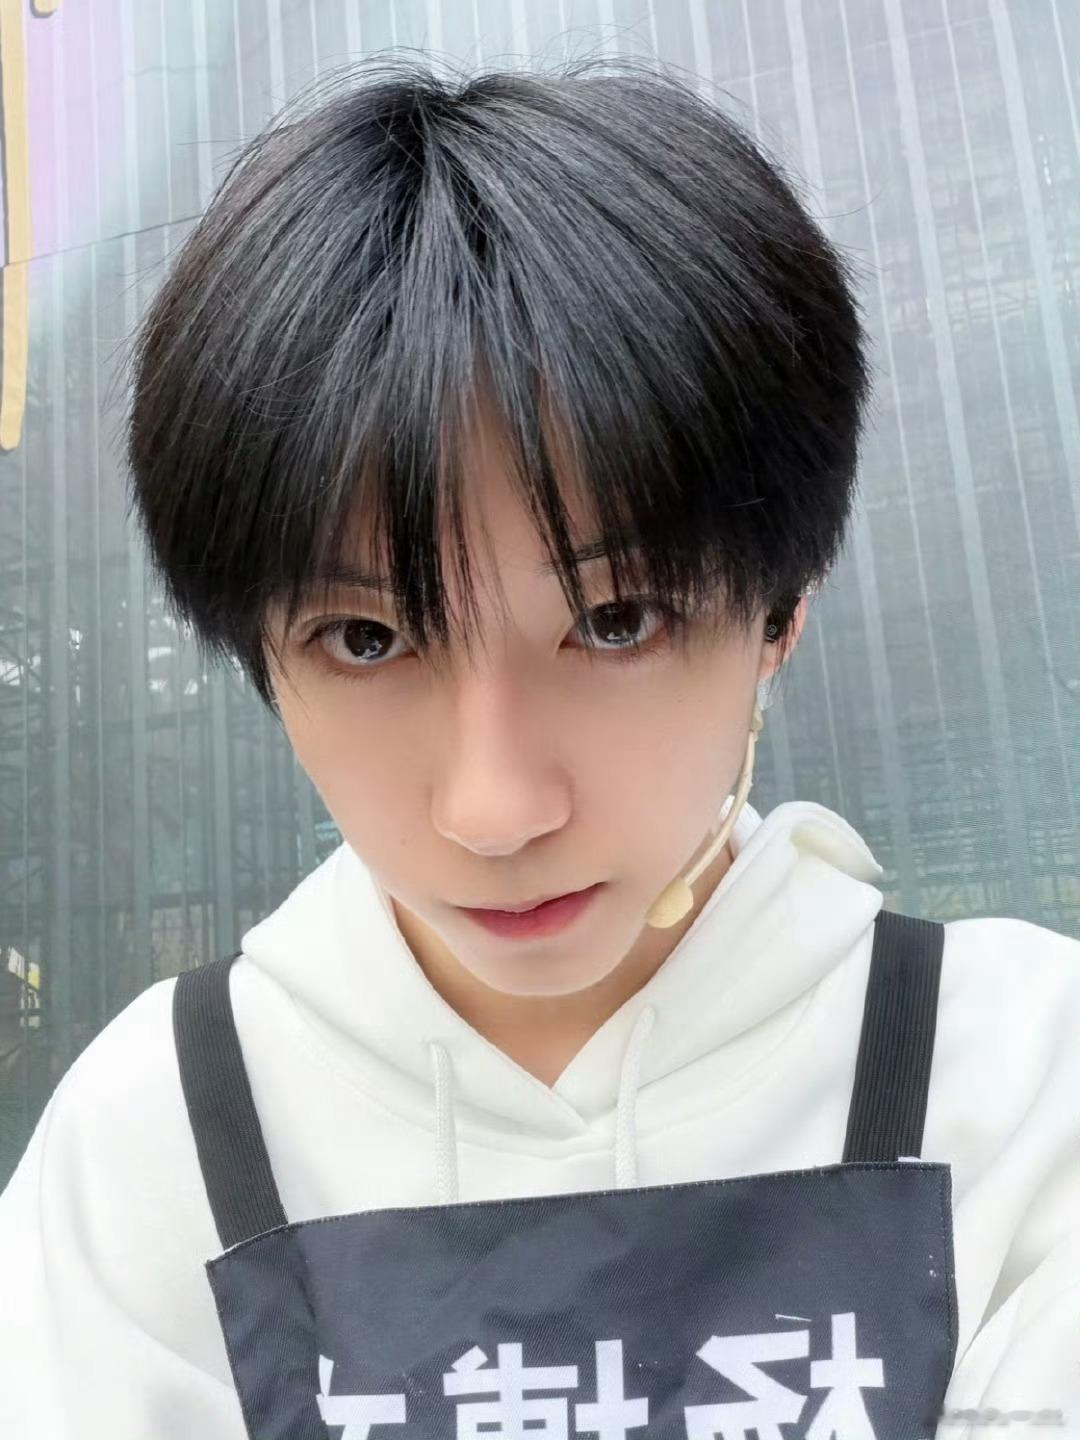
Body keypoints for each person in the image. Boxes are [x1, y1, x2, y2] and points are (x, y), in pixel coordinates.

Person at [1, 53, 1077, 1440]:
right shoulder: (156, 1142)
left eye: (616, 621)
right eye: (368, 640)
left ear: (780, 615)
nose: (494, 809)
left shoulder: (1019, 1082)